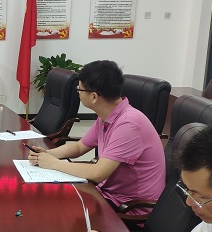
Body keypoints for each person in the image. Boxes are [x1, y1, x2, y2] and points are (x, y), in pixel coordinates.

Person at [28, 60, 165, 214]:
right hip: (108, 194)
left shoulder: (129, 124)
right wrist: (47, 154)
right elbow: (79, 147)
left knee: (56, 210)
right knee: (52, 200)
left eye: (79, 89)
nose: (78, 93)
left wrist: (54, 164)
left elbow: (98, 173)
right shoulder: (108, 115)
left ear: (94, 97)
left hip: (128, 207)